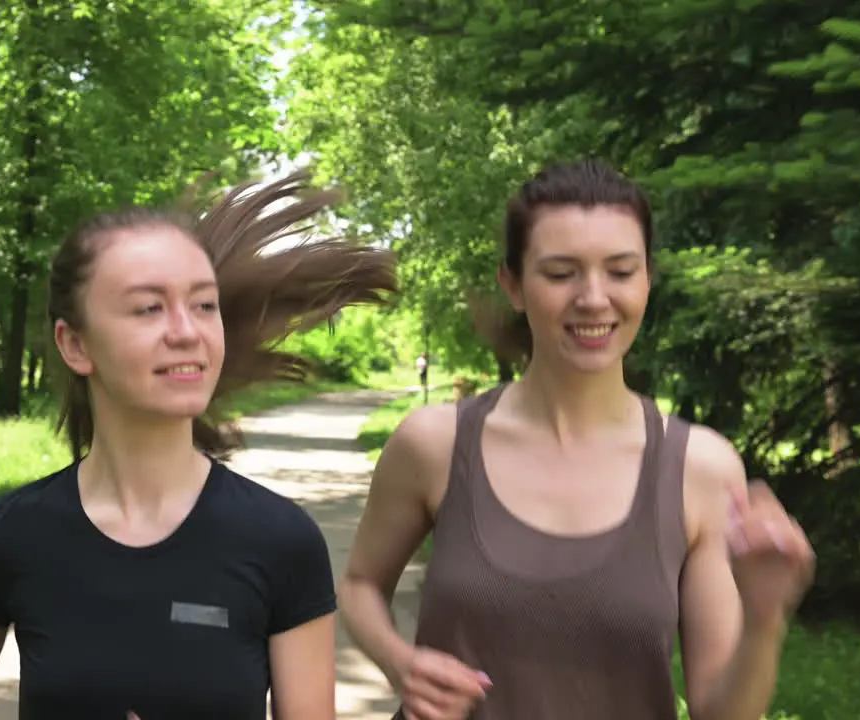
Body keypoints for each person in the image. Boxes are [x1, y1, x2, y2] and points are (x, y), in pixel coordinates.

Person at [0, 170, 398, 720]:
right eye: (147, 308)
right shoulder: (10, 536)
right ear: (75, 343)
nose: (186, 331)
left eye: (204, 305)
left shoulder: (281, 542)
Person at [339, 159, 816, 720]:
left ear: (646, 280)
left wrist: (764, 622)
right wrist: (400, 663)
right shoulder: (434, 444)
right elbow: (360, 583)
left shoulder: (701, 469)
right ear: (513, 285)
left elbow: (720, 714)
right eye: (561, 273)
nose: (593, 298)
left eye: (620, 271)